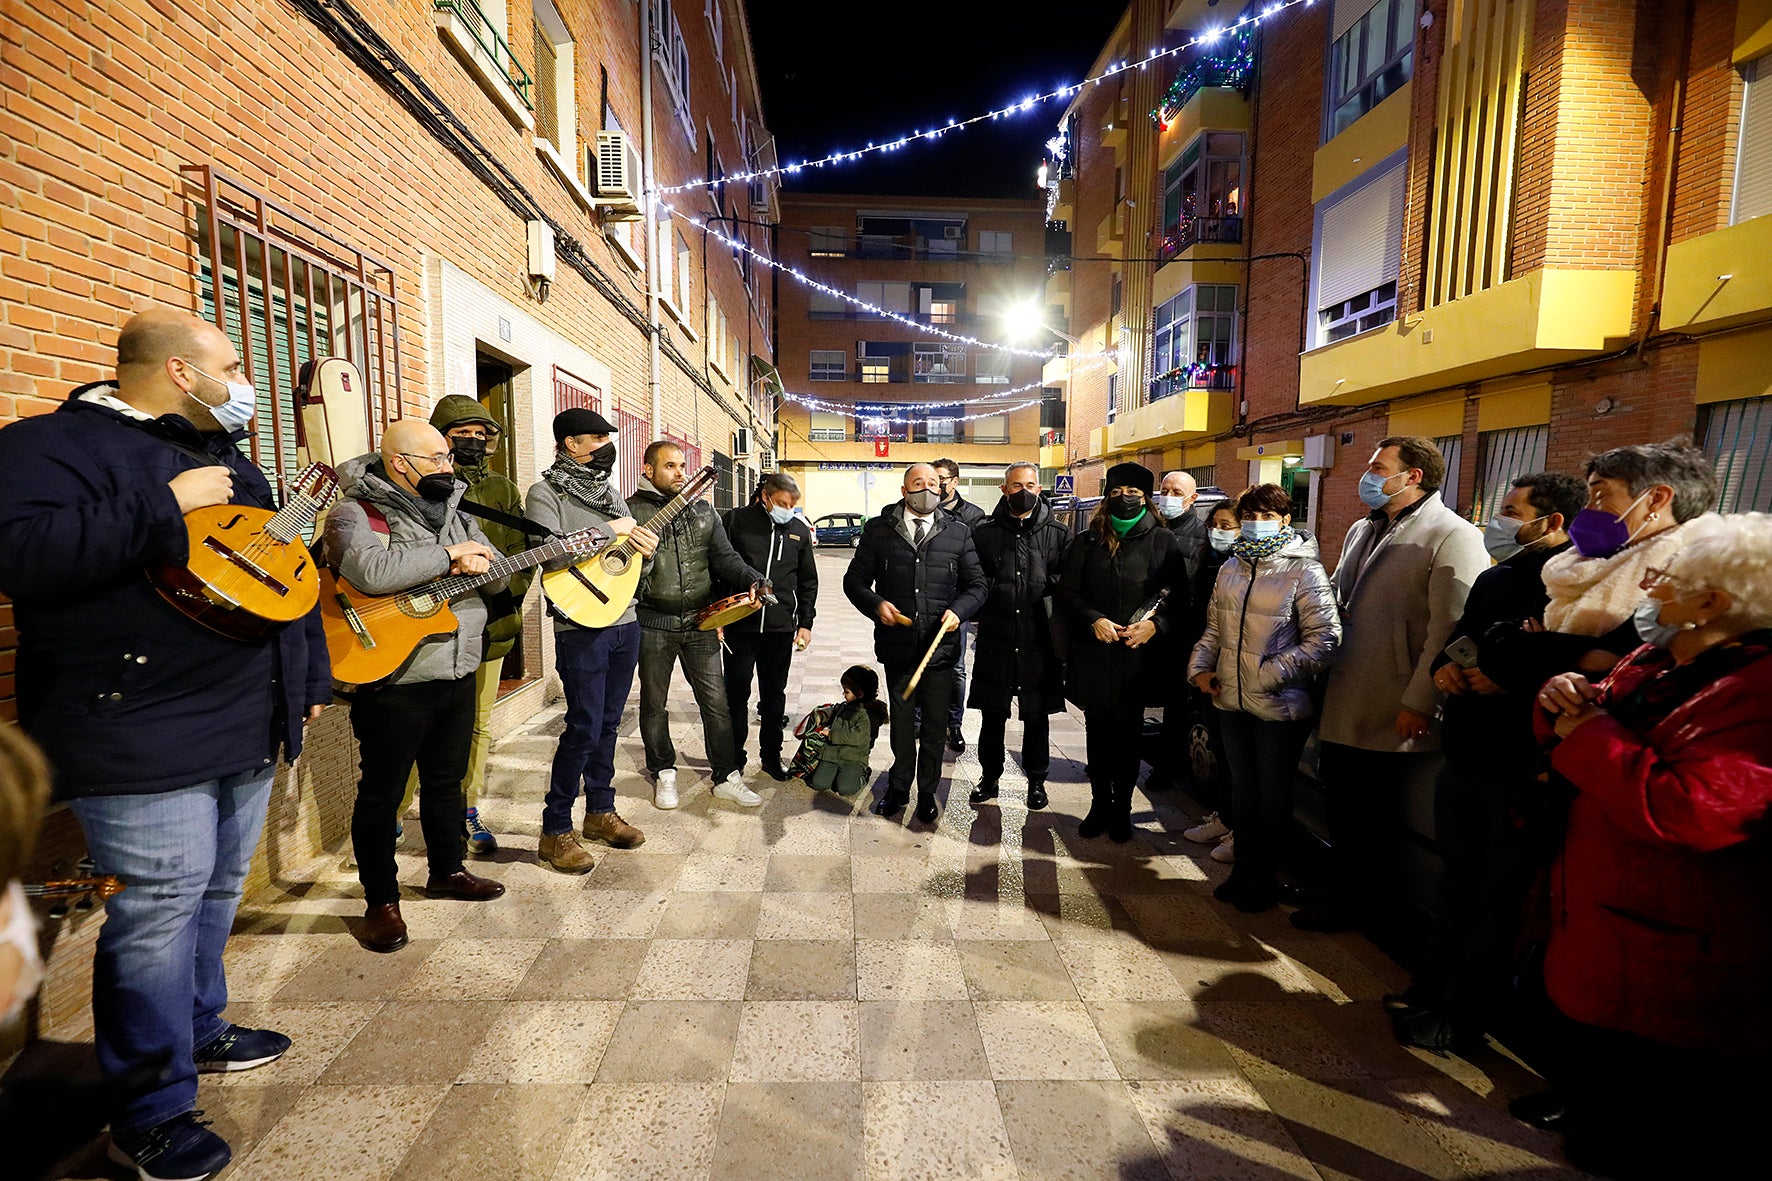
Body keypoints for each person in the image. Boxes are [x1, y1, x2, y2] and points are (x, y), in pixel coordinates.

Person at [0, 309, 330, 1180]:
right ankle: (147, 1108)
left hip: (245, 715)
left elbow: (282, 571)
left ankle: (198, 1026)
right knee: (153, 917)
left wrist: (307, 683)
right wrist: (160, 507)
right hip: (134, 727)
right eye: (231, 363)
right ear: (182, 371)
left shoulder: (232, 457)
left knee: (217, 889)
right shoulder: (45, 447)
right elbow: (22, 557)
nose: (245, 380)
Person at [1532, 513, 1772, 1177]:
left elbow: (1693, 810)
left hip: (1680, 943)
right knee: (1607, 1097)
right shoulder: (1659, 659)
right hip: (1606, 917)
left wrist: (1586, 732)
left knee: (1665, 1121)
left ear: (1713, 604)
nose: (1648, 586)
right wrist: (1561, 699)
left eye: (1665, 578)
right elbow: (1586, 720)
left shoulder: (1756, 693)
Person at [1391, 472, 1586, 1052]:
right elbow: (1461, 638)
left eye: (1510, 510)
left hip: (1519, 764)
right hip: (1467, 753)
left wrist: (1511, 677)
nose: (1499, 521)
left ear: (1552, 522)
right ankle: (1431, 988)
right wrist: (1444, 671)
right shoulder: (1499, 576)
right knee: (1458, 882)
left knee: (1500, 897)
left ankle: (1465, 1015)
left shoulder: (1579, 590)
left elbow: (1578, 667)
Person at [325, 420, 509, 955]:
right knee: (382, 793)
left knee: (446, 783)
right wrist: (451, 556)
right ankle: (381, 901)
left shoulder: (457, 509)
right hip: (394, 676)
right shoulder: (355, 511)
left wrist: (489, 562)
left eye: (449, 457)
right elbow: (370, 571)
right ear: (400, 462)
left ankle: (446, 870)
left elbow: (494, 575)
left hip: (456, 668)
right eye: (436, 459)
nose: (449, 467)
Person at [1297, 436, 1489, 932]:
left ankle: (1356, 905)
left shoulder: (1452, 535)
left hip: (1392, 699)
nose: (1369, 475)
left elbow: (1448, 627)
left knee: (1371, 815)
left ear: (1413, 476)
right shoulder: (1365, 527)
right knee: (1342, 802)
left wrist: (1420, 701)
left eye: (1379, 467)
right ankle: (1336, 888)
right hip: (1346, 688)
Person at [1189, 484, 1341, 911]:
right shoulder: (1231, 568)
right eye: (1249, 515)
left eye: (1265, 516)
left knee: (1272, 796)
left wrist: (1268, 673)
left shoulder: (1304, 571)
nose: (1255, 524)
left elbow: (1326, 639)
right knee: (1242, 790)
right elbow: (1214, 630)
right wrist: (1200, 668)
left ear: (1285, 520)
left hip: (1279, 705)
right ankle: (1242, 871)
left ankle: (1263, 878)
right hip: (1230, 701)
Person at [525, 408, 659, 873]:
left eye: (608, 437)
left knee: (609, 723)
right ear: (569, 444)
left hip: (625, 620)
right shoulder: (545, 494)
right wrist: (610, 530)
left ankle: (600, 812)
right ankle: (555, 829)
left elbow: (625, 555)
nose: (606, 445)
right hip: (580, 626)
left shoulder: (611, 494)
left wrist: (645, 549)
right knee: (583, 725)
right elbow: (549, 553)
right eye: (596, 438)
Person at [409, 395, 537, 856]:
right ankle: (394, 816)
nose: (473, 442)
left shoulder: (503, 488)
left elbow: (522, 549)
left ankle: (466, 807)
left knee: (479, 726)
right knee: (418, 728)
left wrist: (506, 591)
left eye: (481, 435)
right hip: (433, 629)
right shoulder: (426, 484)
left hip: (493, 626)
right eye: (462, 434)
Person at [843, 462, 988, 823]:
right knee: (903, 725)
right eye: (918, 483)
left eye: (933, 483)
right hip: (899, 649)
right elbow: (854, 581)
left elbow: (978, 586)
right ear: (904, 489)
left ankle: (927, 792)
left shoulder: (958, 532)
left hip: (940, 652)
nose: (926, 489)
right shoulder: (879, 530)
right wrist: (876, 605)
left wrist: (959, 610)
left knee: (936, 727)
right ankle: (898, 785)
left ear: (942, 489)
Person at [630, 440, 766, 809]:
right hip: (653, 622)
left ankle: (726, 775)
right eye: (670, 466)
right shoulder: (631, 512)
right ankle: (663, 772)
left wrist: (753, 578)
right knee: (654, 703)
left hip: (701, 622)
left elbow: (725, 558)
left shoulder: (703, 511)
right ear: (648, 470)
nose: (680, 473)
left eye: (682, 466)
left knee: (716, 701)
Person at [1054, 462, 1187, 842]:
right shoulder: (1088, 540)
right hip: (1095, 653)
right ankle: (1099, 805)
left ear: (1146, 497)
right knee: (1097, 735)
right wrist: (1093, 618)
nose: (1123, 498)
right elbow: (1067, 591)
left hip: (1137, 658)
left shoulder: (1163, 542)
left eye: (1132, 492)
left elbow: (1180, 599)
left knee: (1128, 738)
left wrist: (1154, 626)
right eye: (1115, 492)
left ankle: (1122, 810)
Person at [966, 461, 1070, 811]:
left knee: (1036, 716)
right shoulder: (984, 532)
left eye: (1029, 484)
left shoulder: (1057, 533)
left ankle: (1037, 781)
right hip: (997, 637)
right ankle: (989, 777)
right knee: (993, 715)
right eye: (1015, 485)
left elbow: (1067, 583)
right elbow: (974, 581)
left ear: (1039, 489)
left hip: (1038, 640)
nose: (1022, 490)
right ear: (1004, 489)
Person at [721, 471, 818, 781]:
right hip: (740, 624)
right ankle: (734, 756)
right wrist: (718, 619)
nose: (787, 509)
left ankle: (771, 757)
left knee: (774, 696)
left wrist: (805, 623)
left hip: (780, 629)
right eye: (781, 503)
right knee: (735, 693)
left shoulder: (799, 532)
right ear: (765, 497)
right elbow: (719, 568)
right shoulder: (736, 522)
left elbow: (807, 582)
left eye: (792, 505)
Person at [1181, 501, 1242, 858]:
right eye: (1215, 523)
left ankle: (1239, 828)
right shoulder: (1209, 563)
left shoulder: (1245, 569)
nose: (1219, 531)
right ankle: (1226, 817)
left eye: (1228, 524)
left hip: (1236, 671)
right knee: (1220, 749)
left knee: (1239, 759)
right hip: (1208, 669)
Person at [1145, 469, 1206, 795]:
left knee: (1174, 705)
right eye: (1164, 489)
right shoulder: (1150, 528)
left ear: (1192, 498)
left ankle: (1167, 768)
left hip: (1177, 633)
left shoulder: (1201, 537)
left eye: (1176, 492)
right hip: (1142, 629)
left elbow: (1195, 589)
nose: (1167, 497)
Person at [933, 457, 985, 754]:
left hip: (957, 604)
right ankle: (918, 720)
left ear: (954, 481)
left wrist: (967, 604)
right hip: (924, 601)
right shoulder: (919, 509)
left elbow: (978, 566)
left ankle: (954, 724)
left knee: (956, 667)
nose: (935, 485)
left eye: (941, 478)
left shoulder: (973, 516)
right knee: (922, 661)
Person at [808, 666, 890, 797]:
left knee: (846, 789)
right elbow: (835, 709)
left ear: (860, 694)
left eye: (846, 692)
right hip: (832, 753)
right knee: (819, 783)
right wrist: (821, 715)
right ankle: (836, 775)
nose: (843, 694)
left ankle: (863, 774)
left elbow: (858, 737)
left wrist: (831, 734)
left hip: (853, 757)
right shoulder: (848, 705)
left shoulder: (869, 716)